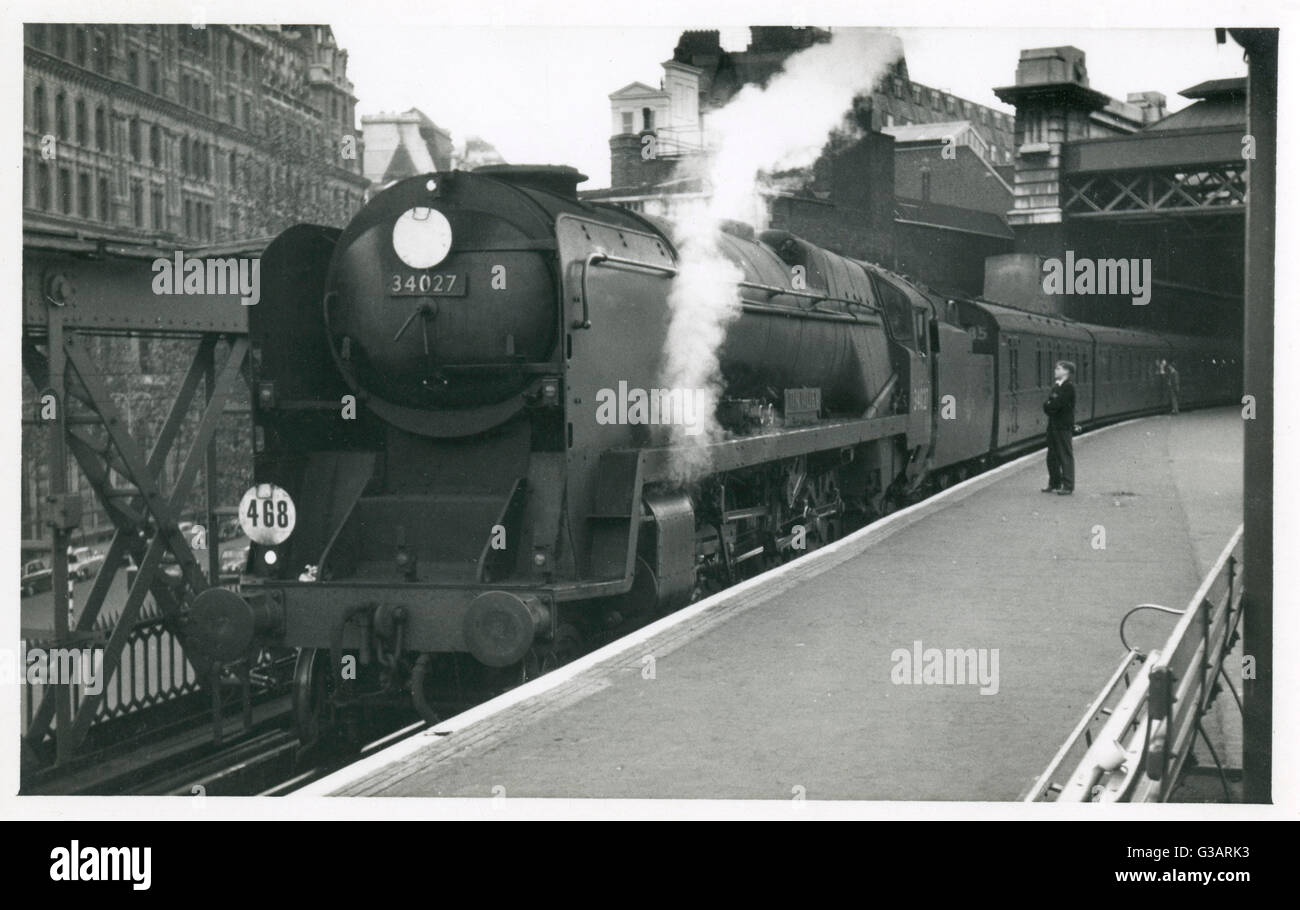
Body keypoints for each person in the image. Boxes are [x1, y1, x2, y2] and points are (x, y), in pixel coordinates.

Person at [1042, 360, 1076, 495]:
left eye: (1058, 368)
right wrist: (1050, 405)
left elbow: (1055, 405)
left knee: (1065, 455)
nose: (1055, 370)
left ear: (1066, 372)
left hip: (1063, 426)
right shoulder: (1057, 387)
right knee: (1052, 456)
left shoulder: (1068, 387)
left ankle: (1068, 486)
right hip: (1053, 426)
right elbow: (1048, 405)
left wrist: (1050, 404)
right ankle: (1054, 483)